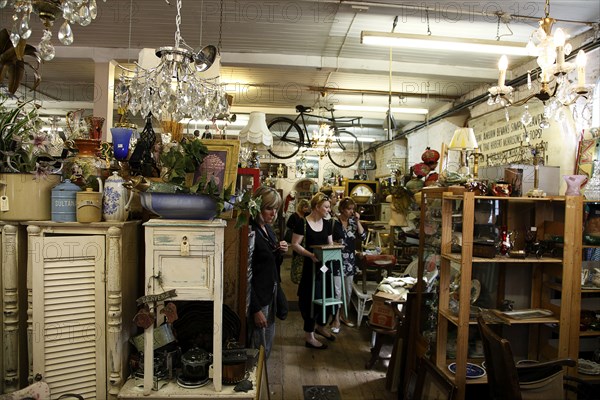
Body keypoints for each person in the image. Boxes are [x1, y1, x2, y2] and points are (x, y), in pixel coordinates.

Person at [291, 192, 336, 349]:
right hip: (309, 267)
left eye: (329, 207)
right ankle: (309, 335)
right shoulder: (302, 223)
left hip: (324, 267)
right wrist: (310, 255)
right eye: (326, 207)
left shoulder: (327, 224)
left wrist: (333, 250)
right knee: (310, 299)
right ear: (316, 207)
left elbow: (330, 243)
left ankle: (321, 326)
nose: (329, 210)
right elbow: (295, 244)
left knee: (327, 297)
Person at [247, 186, 288, 358]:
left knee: (267, 343)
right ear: (257, 207)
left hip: (270, 294)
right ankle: (255, 382)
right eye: (269, 208)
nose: (274, 213)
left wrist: (279, 252)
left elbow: (270, 264)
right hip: (259, 298)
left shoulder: (268, 230)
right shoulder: (250, 231)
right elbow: (247, 275)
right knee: (258, 347)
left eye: (276, 209)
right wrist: (255, 309)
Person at [331, 197, 366, 332]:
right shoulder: (334, 222)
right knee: (337, 290)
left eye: (352, 209)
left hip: (350, 260)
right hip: (336, 259)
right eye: (348, 209)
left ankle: (344, 316)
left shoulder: (353, 222)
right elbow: (329, 239)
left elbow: (362, 236)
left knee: (348, 290)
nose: (351, 211)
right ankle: (335, 319)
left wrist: (358, 221)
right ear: (342, 209)